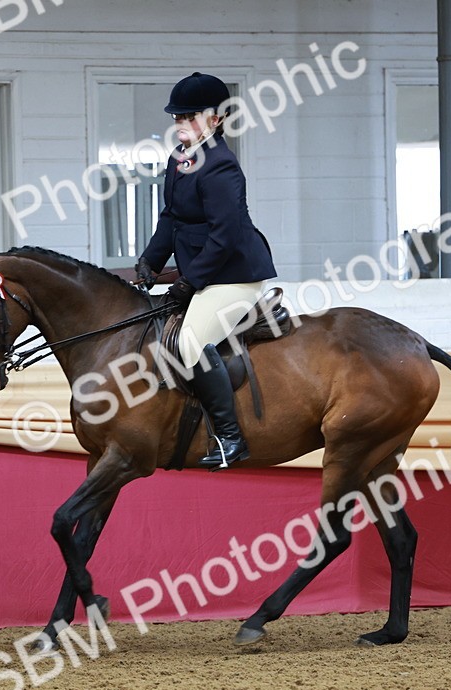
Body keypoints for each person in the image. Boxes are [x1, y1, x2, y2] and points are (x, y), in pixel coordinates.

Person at [135, 72, 277, 471]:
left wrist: (188, 282)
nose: (181, 124)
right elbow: (171, 218)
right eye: (178, 117)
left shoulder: (221, 165)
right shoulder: (179, 159)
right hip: (204, 272)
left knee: (192, 342)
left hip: (234, 274)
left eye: (190, 117)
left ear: (216, 119)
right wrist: (151, 262)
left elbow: (224, 235)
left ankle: (231, 438)